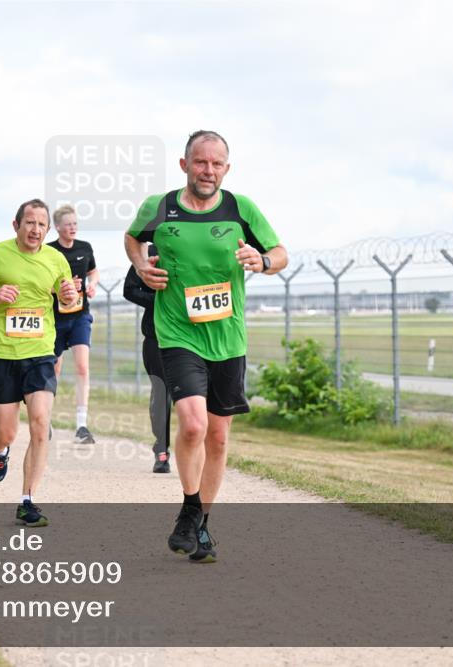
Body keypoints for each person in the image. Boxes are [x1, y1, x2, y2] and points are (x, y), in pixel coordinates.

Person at [124, 130, 287, 563]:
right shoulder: (160, 207)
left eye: (216, 164)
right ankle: (190, 506)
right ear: (184, 165)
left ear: (226, 169)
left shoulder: (241, 208)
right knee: (193, 426)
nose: (208, 171)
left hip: (228, 338)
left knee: (217, 437)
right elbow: (133, 238)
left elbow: (280, 252)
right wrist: (141, 266)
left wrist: (263, 261)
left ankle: (201, 522)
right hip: (177, 332)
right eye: (200, 162)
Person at [0, 198, 77, 527]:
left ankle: (27, 500)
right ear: (16, 225)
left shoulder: (56, 259)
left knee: (40, 425)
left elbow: (69, 302)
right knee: (7, 433)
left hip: (40, 354)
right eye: (30, 223)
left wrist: (69, 296)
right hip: (1, 355)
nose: (36, 229)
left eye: (42, 225)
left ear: (47, 230)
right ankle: (0, 450)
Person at [47, 205, 100, 444]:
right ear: (58, 227)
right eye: (68, 224)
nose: (73, 228)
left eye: (75, 224)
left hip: (80, 315)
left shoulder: (85, 248)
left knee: (82, 367)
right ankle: (45, 419)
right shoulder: (48, 252)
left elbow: (94, 271)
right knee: (54, 369)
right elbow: (42, 284)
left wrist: (93, 284)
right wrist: (62, 287)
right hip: (55, 318)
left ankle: (81, 425)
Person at [123, 244, 172, 473]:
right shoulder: (149, 253)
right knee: (162, 394)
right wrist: (160, 301)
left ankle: (199, 450)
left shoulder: (196, 247)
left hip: (196, 336)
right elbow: (129, 290)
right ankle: (161, 450)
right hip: (156, 337)